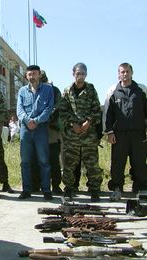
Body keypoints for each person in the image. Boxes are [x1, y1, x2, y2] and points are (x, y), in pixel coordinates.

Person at [59, 63, 103, 202]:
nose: (81, 76)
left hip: (88, 134)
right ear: (73, 74)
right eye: (78, 73)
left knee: (92, 163)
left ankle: (95, 189)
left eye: (83, 73)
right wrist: (73, 124)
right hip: (72, 135)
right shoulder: (67, 91)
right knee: (69, 164)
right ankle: (69, 188)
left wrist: (88, 122)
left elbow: (96, 109)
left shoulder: (91, 89)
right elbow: (63, 111)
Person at [105, 63, 147, 201]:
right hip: (119, 135)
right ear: (118, 74)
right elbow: (108, 115)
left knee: (139, 163)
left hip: (138, 134)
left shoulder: (140, 90)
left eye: (127, 71)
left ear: (132, 73)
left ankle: (141, 189)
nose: (125, 74)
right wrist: (109, 132)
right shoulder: (113, 91)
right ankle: (117, 189)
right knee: (117, 163)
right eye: (122, 72)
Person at [16, 65, 54, 200]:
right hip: (26, 129)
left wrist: (36, 121)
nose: (32, 77)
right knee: (25, 161)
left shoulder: (48, 89)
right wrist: (27, 121)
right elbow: (19, 110)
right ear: (26, 76)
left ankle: (46, 190)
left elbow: (49, 108)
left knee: (43, 160)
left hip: (41, 128)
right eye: (29, 74)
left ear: (39, 75)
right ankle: (26, 190)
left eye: (34, 74)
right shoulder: (22, 91)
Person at [31, 70, 63, 195]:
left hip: (51, 130)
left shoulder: (54, 91)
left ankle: (55, 185)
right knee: (36, 160)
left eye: (42, 79)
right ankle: (36, 184)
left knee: (53, 159)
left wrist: (41, 119)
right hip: (35, 130)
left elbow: (56, 108)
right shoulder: (30, 90)